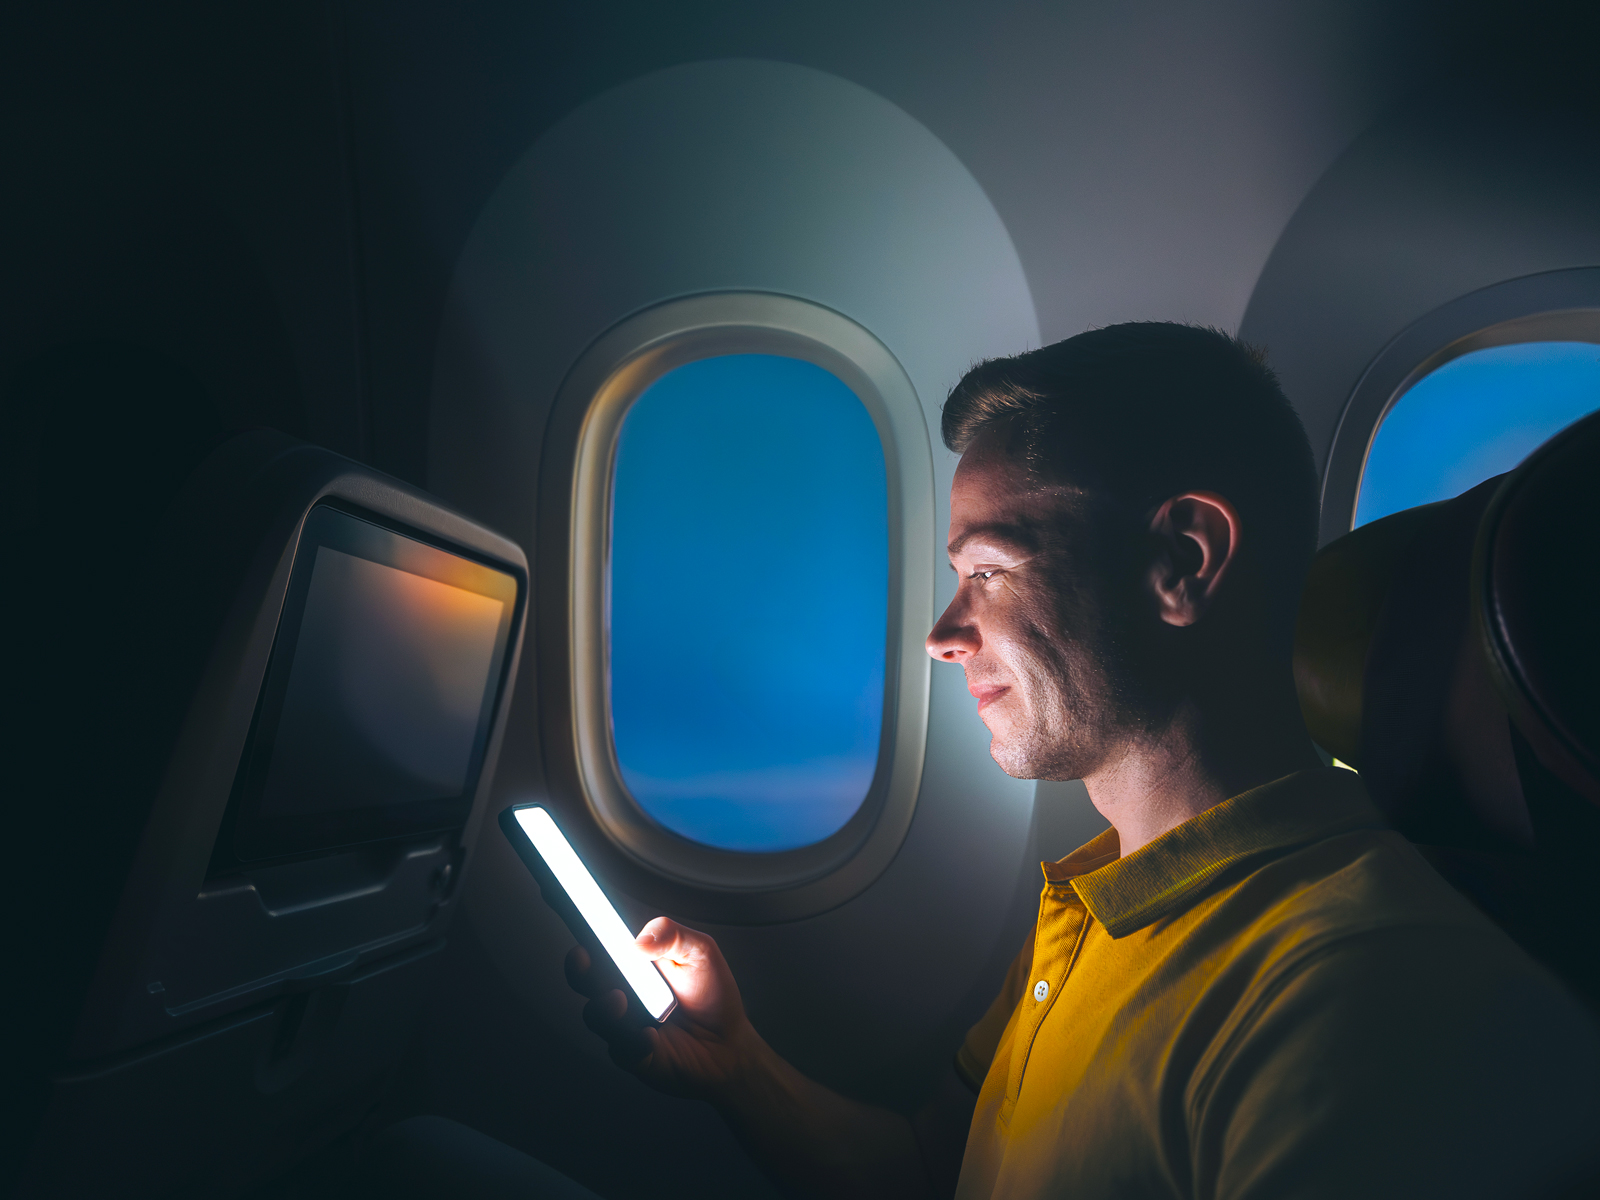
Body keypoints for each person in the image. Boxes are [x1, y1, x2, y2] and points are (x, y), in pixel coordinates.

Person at [566, 323, 1600, 1199]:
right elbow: (935, 1168)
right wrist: (735, 1064)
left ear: (1180, 563)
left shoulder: (1362, 999)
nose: (942, 633)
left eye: (987, 570)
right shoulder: (1108, 896)